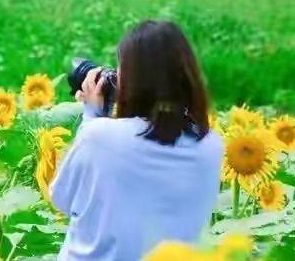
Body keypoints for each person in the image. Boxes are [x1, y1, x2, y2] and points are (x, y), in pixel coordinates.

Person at [49, 20, 224, 261]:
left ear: (133, 80)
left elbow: (62, 198)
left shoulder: (100, 137)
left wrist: (92, 115)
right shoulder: (211, 146)